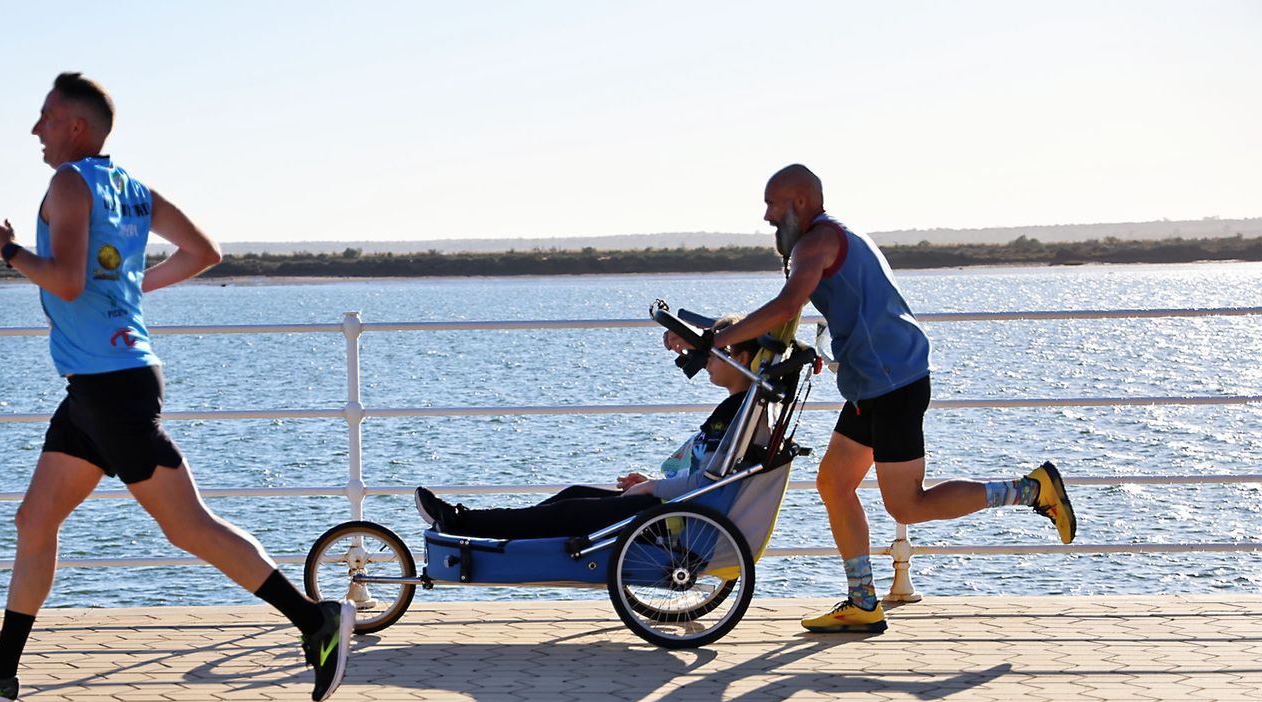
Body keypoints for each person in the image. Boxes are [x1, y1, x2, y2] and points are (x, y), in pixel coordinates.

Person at [0, 73, 352, 702]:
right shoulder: (131, 189)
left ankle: (315, 621)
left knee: (189, 527)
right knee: (34, 520)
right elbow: (203, 251)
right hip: (97, 385)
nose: (35, 130)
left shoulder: (69, 183)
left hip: (111, 389)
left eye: (45, 117)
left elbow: (66, 281)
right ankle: (2, 672)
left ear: (76, 127)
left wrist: (6, 248)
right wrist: (129, 293)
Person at [667, 164, 1076, 634]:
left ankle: (1031, 490)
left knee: (907, 506)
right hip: (869, 384)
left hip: (892, 383)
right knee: (834, 483)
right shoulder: (826, 237)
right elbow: (788, 316)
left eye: (772, 205)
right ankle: (862, 601)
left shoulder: (815, 243)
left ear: (799, 202)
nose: (766, 217)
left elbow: (785, 305)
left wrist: (715, 343)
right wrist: (712, 337)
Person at [417, 324, 762, 539]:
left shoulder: (733, 413)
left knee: (563, 515)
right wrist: (649, 484)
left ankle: (462, 522)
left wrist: (653, 486)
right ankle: (480, 527)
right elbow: (708, 475)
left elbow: (707, 484)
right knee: (572, 495)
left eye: (718, 353)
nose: (708, 362)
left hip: (677, 520)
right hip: (676, 508)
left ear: (742, 359)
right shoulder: (738, 409)